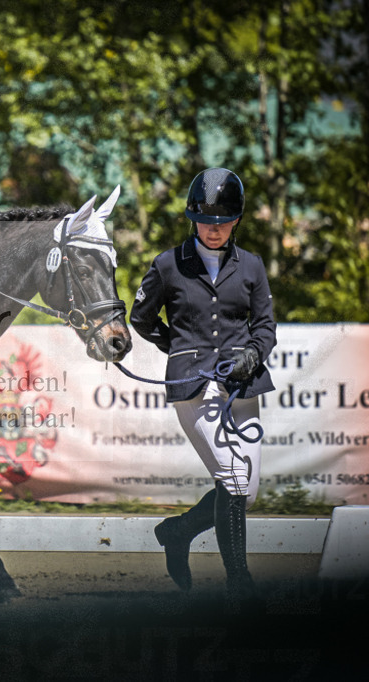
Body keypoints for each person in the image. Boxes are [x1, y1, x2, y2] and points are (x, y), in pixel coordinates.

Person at [129, 167, 277, 602]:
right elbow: (141, 318)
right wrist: (177, 349)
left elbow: (265, 327)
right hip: (193, 384)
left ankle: (177, 532)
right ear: (192, 220)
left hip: (242, 384)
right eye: (205, 222)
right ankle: (239, 583)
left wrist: (253, 354)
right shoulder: (168, 264)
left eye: (223, 222)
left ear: (236, 221)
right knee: (232, 476)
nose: (214, 230)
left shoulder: (251, 265)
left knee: (246, 492)